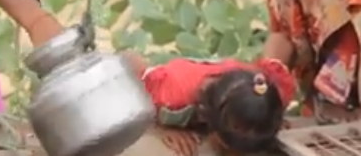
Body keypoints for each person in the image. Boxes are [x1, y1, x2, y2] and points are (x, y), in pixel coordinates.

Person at [126, 53, 295, 156]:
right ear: (209, 120)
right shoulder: (168, 95)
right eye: (232, 150)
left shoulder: (266, 90)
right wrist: (160, 128)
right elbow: (130, 62)